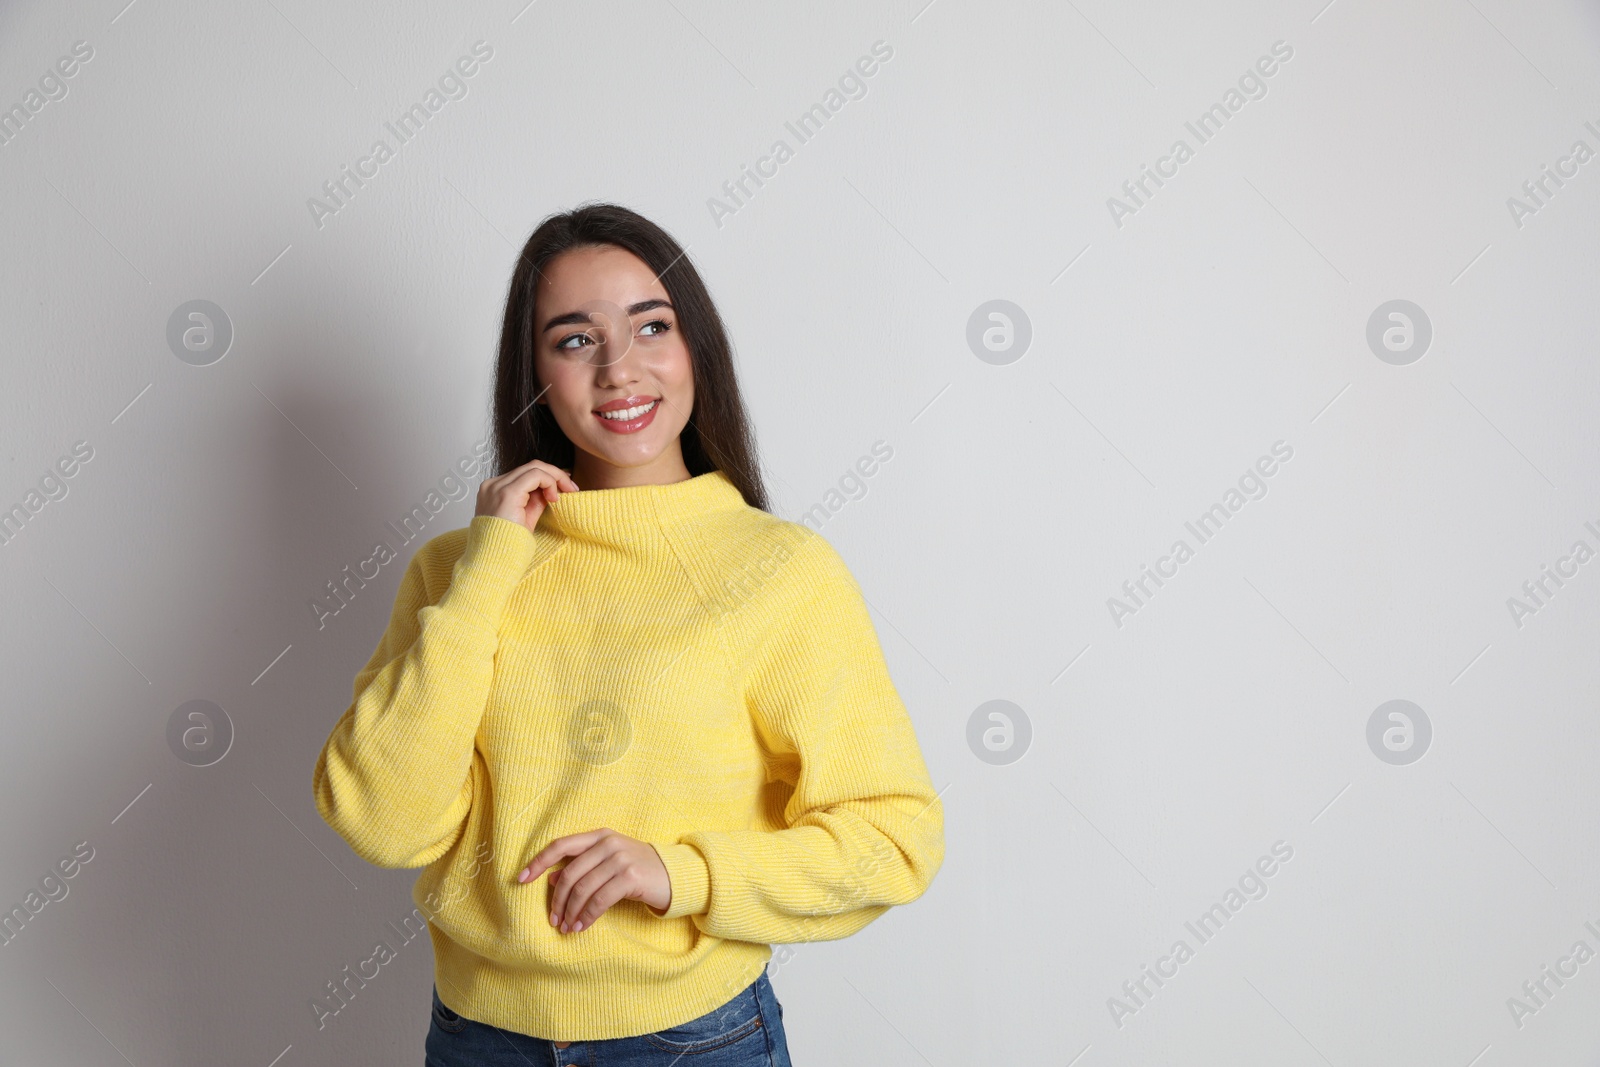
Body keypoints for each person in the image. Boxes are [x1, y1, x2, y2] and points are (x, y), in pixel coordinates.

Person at [312, 202, 944, 1065]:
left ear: (696, 351)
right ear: (533, 370)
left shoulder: (780, 570)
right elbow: (386, 822)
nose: (619, 369)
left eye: (652, 326)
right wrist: (493, 562)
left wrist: (681, 873)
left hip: (694, 1038)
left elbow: (892, 838)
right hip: (478, 1041)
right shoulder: (459, 568)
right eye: (575, 340)